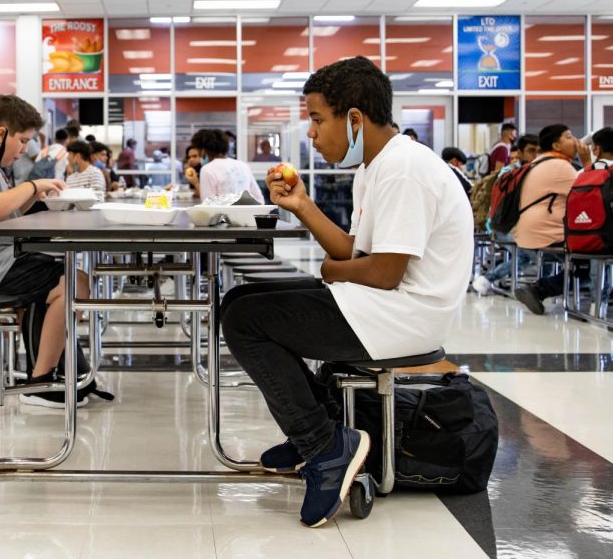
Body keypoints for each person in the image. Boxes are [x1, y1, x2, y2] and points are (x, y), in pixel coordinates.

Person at [221, 57, 473, 528]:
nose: (311, 133)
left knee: (245, 321)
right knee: (239, 303)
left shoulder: (404, 168)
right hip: (383, 307)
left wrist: (333, 270)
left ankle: (324, 446)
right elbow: (354, 251)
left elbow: (383, 273)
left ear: (354, 118)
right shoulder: (376, 166)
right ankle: (313, 434)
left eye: (318, 119)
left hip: (402, 316)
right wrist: (303, 206)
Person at [0, 95, 109, 408]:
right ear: (2, 133)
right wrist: (33, 186)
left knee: (65, 280)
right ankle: (40, 381)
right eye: (22, 141)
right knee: (74, 284)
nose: (23, 151)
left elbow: (5, 212)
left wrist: (34, 195)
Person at [513, 125, 593, 315]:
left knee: (582, 261)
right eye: (568, 136)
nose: (575, 140)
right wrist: (588, 162)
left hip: (528, 231)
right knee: (589, 259)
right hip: (547, 232)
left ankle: (541, 289)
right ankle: (540, 289)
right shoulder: (560, 167)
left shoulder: (540, 163)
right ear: (556, 145)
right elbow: (590, 194)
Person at [471, 134, 540, 295]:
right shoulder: (511, 175)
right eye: (531, 151)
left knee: (537, 253)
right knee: (529, 255)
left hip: (516, 228)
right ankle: (488, 278)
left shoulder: (531, 173)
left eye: (538, 151)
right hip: (503, 228)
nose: (535, 156)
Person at [189, 128, 263, 203]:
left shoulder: (207, 169)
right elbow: (259, 199)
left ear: (203, 150)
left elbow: (207, 204)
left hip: (222, 214)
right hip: (248, 214)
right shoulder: (243, 166)